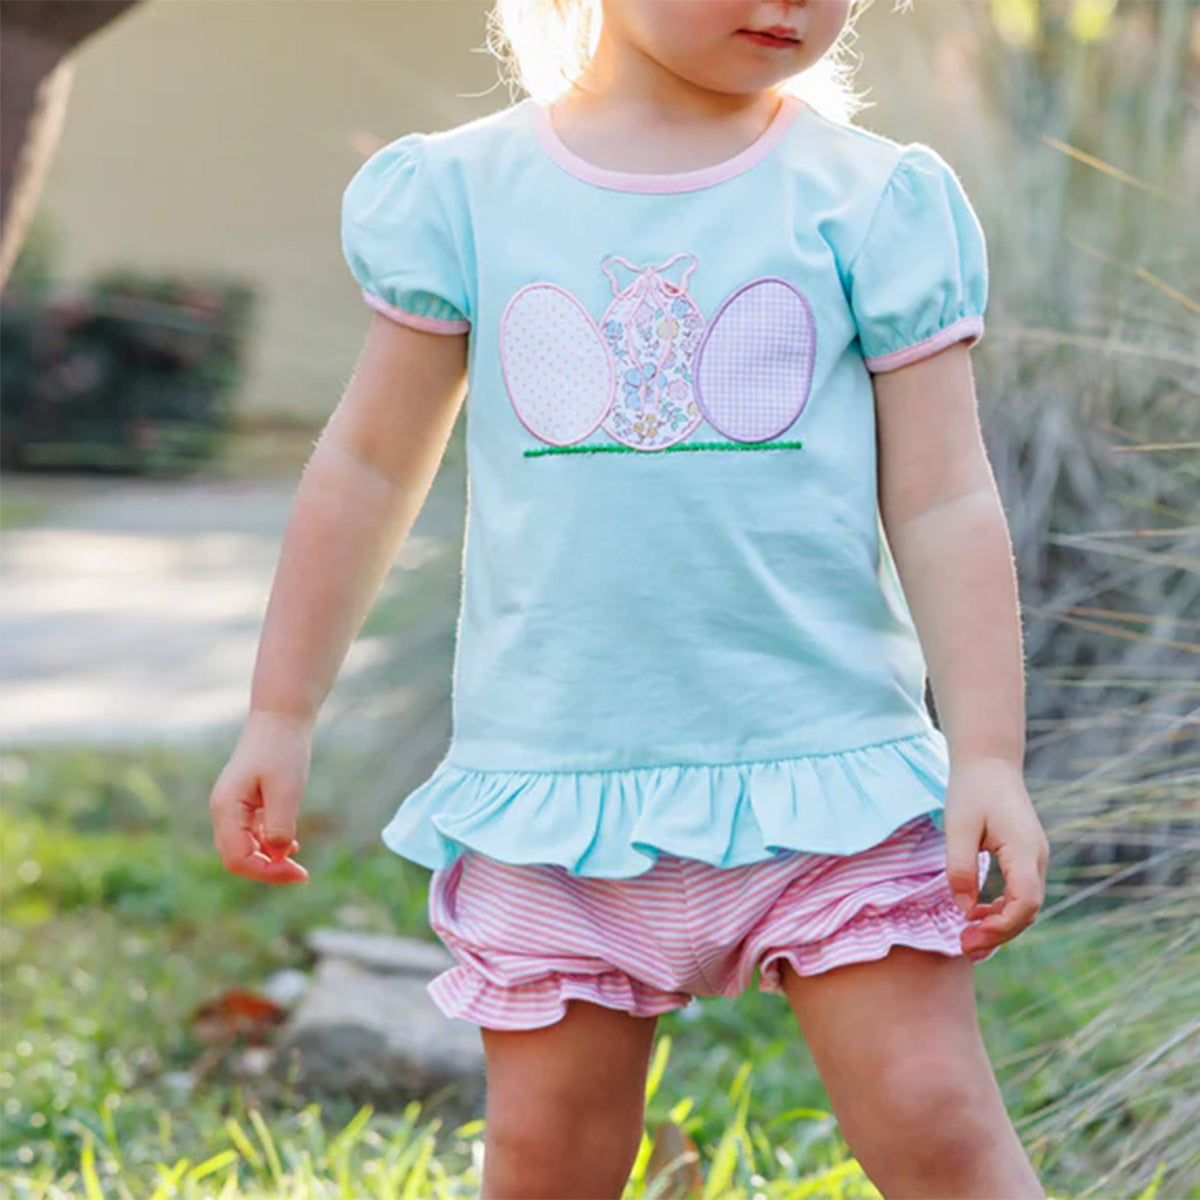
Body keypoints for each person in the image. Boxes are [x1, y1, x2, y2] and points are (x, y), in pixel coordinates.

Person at [209, 1, 1051, 1196]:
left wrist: (989, 757)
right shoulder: (468, 194)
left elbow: (944, 500)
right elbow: (367, 467)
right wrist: (280, 713)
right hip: (555, 805)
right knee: (549, 1160)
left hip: (832, 784)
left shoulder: (868, 200)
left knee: (933, 1120)